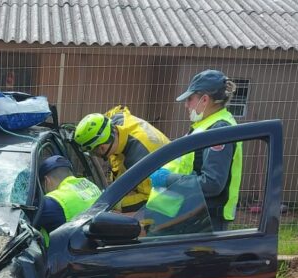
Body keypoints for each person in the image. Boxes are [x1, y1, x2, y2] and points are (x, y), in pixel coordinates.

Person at [155, 70, 243, 232]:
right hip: (195, 216)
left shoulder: (218, 129)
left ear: (204, 100)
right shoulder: (206, 126)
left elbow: (212, 183)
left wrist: (168, 179)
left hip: (207, 221)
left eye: (190, 99)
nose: (186, 105)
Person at [72, 106, 169, 212]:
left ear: (102, 148)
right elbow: (117, 110)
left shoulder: (139, 159)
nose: (95, 156)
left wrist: (112, 202)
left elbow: (150, 197)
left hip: (170, 194)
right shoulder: (115, 121)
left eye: (94, 152)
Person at [36, 155, 102, 240]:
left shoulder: (54, 201)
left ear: (46, 181)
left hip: (67, 247)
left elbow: (24, 214)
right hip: (96, 243)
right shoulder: (91, 185)